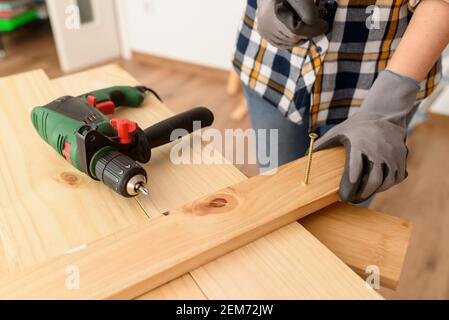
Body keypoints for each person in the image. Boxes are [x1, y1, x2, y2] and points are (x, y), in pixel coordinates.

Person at [233, 0, 449, 204]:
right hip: (274, 66)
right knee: (274, 193)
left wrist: (385, 106)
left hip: (380, 84)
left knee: (343, 210)